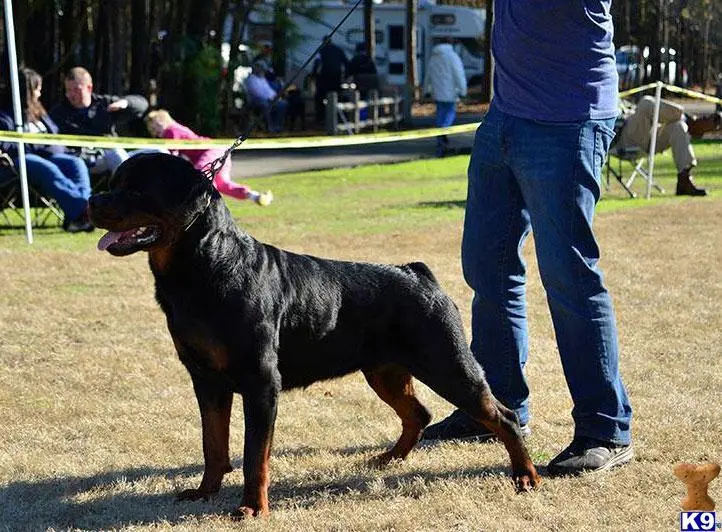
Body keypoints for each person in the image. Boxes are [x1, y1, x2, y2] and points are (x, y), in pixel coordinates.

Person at [421, 2, 634, 476]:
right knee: (487, 266)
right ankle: (494, 409)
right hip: (505, 119)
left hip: (569, 119)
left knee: (569, 275)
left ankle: (606, 429)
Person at [0, 67, 93, 232]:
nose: (39, 94)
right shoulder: (5, 115)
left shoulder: (38, 112)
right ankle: (85, 212)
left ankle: (79, 215)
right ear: (26, 90)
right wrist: (40, 146)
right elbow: (8, 144)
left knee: (76, 163)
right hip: (16, 164)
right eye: (37, 89)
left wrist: (48, 147)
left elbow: (54, 135)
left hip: (49, 156)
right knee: (43, 165)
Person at [145, 109, 272, 205]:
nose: (156, 129)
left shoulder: (170, 131)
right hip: (220, 150)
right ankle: (255, 196)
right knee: (223, 185)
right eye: (153, 127)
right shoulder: (175, 129)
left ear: (164, 120)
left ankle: (208, 204)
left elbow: (172, 155)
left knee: (201, 174)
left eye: (156, 124)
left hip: (210, 150)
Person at [49, 66, 149, 175]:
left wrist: (125, 103)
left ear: (89, 88)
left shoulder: (104, 104)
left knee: (158, 152)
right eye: (68, 90)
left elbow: (142, 105)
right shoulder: (59, 113)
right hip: (86, 159)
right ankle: (129, 190)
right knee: (115, 152)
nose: (71, 95)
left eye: (76, 89)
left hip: (117, 155)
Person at [615, 96, 721, 196]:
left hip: (645, 134)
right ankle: (693, 123)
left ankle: (684, 180)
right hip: (621, 136)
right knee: (646, 103)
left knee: (678, 126)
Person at [423, 37, 467, 157]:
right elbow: (459, 74)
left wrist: (426, 90)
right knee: (449, 113)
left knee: (440, 113)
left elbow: (428, 75)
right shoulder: (452, 57)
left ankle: (440, 136)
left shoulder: (434, 57)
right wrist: (463, 91)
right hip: (450, 93)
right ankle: (443, 132)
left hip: (437, 92)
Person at [244, 61, 288, 134]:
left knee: (282, 104)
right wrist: (269, 98)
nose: (262, 70)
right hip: (256, 101)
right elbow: (257, 93)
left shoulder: (262, 79)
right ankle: (269, 127)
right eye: (260, 68)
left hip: (269, 99)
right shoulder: (251, 79)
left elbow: (269, 91)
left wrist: (275, 97)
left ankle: (278, 126)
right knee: (265, 104)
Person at [312, 37, 348, 124]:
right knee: (337, 97)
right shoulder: (338, 50)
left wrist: (314, 74)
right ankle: (339, 118)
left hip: (324, 78)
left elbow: (317, 63)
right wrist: (345, 76)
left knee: (320, 98)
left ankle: (321, 118)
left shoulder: (321, 50)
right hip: (336, 78)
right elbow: (346, 63)